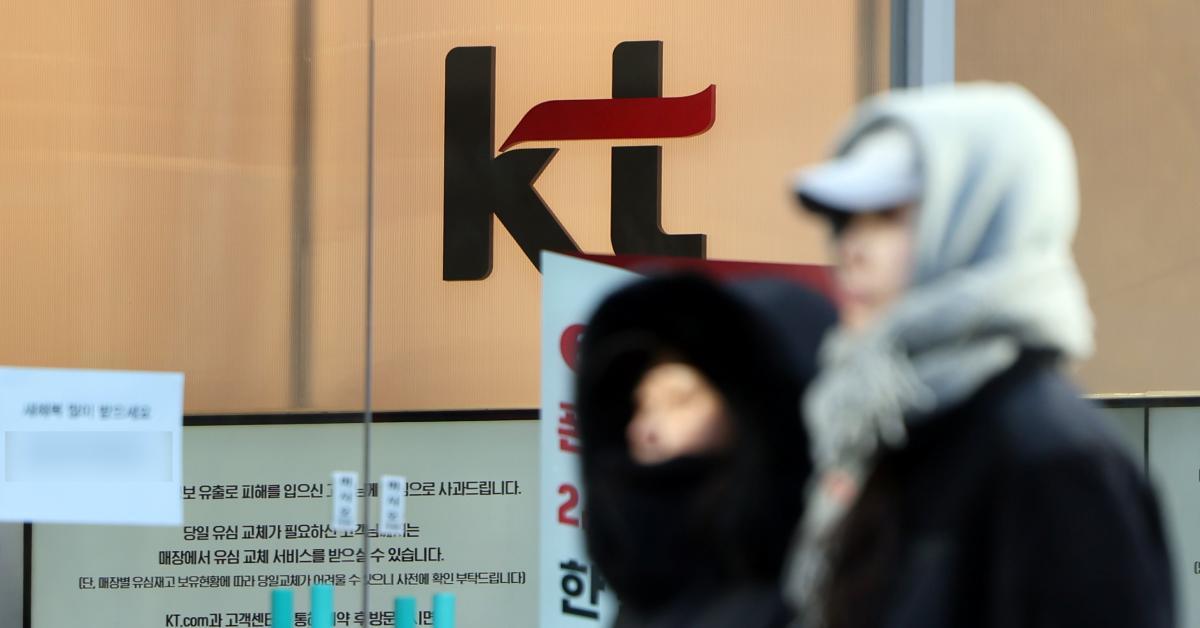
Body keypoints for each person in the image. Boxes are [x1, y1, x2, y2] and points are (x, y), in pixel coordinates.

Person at [786, 83, 1175, 628]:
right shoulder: (877, 430)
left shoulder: (1052, 458)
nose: (852, 249)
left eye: (890, 216)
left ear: (983, 221)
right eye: (847, 220)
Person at [574, 272, 837, 628]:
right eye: (641, 406)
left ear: (757, 414)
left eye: (679, 399)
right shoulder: (648, 604)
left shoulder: (830, 594)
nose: (643, 429)